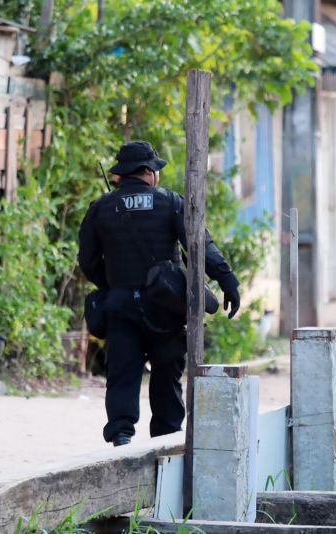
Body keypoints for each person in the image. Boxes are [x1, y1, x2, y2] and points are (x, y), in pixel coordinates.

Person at [78, 140, 241, 446]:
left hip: (121, 308)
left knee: (123, 375)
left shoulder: (101, 208)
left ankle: (122, 437)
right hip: (166, 309)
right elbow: (200, 248)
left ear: (120, 175)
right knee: (167, 377)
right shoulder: (171, 203)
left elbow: (87, 262)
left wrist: (113, 285)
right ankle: (165, 445)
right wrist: (227, 280)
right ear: (149, 172)